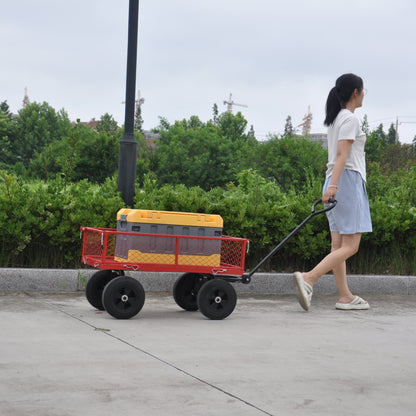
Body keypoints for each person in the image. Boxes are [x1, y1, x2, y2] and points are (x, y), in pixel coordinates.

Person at [293, 73, 372, 311]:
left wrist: (332, 184)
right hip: (346, 180)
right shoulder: (350, 119)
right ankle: (309, 278)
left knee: (337, 246)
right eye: (363, 90)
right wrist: (335, 186)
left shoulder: (337, 118)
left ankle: (345, 296)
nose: (364, 95)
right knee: (351, 246)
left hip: (335, 179)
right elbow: (342, 155)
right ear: (355, 93)